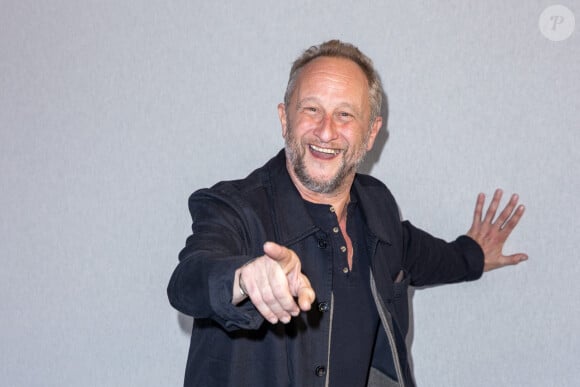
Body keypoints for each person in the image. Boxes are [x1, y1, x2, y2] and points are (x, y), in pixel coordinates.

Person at [167, 40, 527, 387]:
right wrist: (244, 279)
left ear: (371, 133)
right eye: (311, 109)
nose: (326, 130)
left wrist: (474, 255)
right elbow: (189, 281)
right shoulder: (233, 207)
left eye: (345, 114)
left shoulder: (376, 206)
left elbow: (415, 253)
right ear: (284, 118)